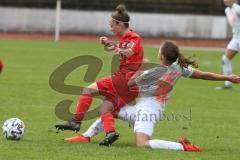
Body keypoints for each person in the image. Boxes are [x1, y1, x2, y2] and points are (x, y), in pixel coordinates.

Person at [69, 40, 240, 151]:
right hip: (146, 108)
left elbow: (130, 84)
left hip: (148, 111)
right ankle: (86, 136)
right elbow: (204, 75)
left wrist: (138, 68)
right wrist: (227, 77)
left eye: (159, 50)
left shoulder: (154, 72)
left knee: (142, 144)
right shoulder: (179, 68)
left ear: (162, 56)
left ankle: (183, 147)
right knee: (109, 108)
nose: (158, 51)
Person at [55, 4, 143, 146]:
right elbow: (126, 51)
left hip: (123, 80)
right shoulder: (125, 39)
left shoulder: (134, 37)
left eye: (112, 25)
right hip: (129, 86)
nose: (111, 28)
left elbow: (129, 52)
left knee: (88, 90)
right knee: (105, 108)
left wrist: (118, 49)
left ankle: (75, 122)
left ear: (120, 24)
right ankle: (110, 133)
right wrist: (110, 44)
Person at [216, 0, 240, 90]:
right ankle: (228, 84)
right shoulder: (227, 10)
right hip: (235, 38)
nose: (226, 0)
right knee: (225, 59)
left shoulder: (237, 9)